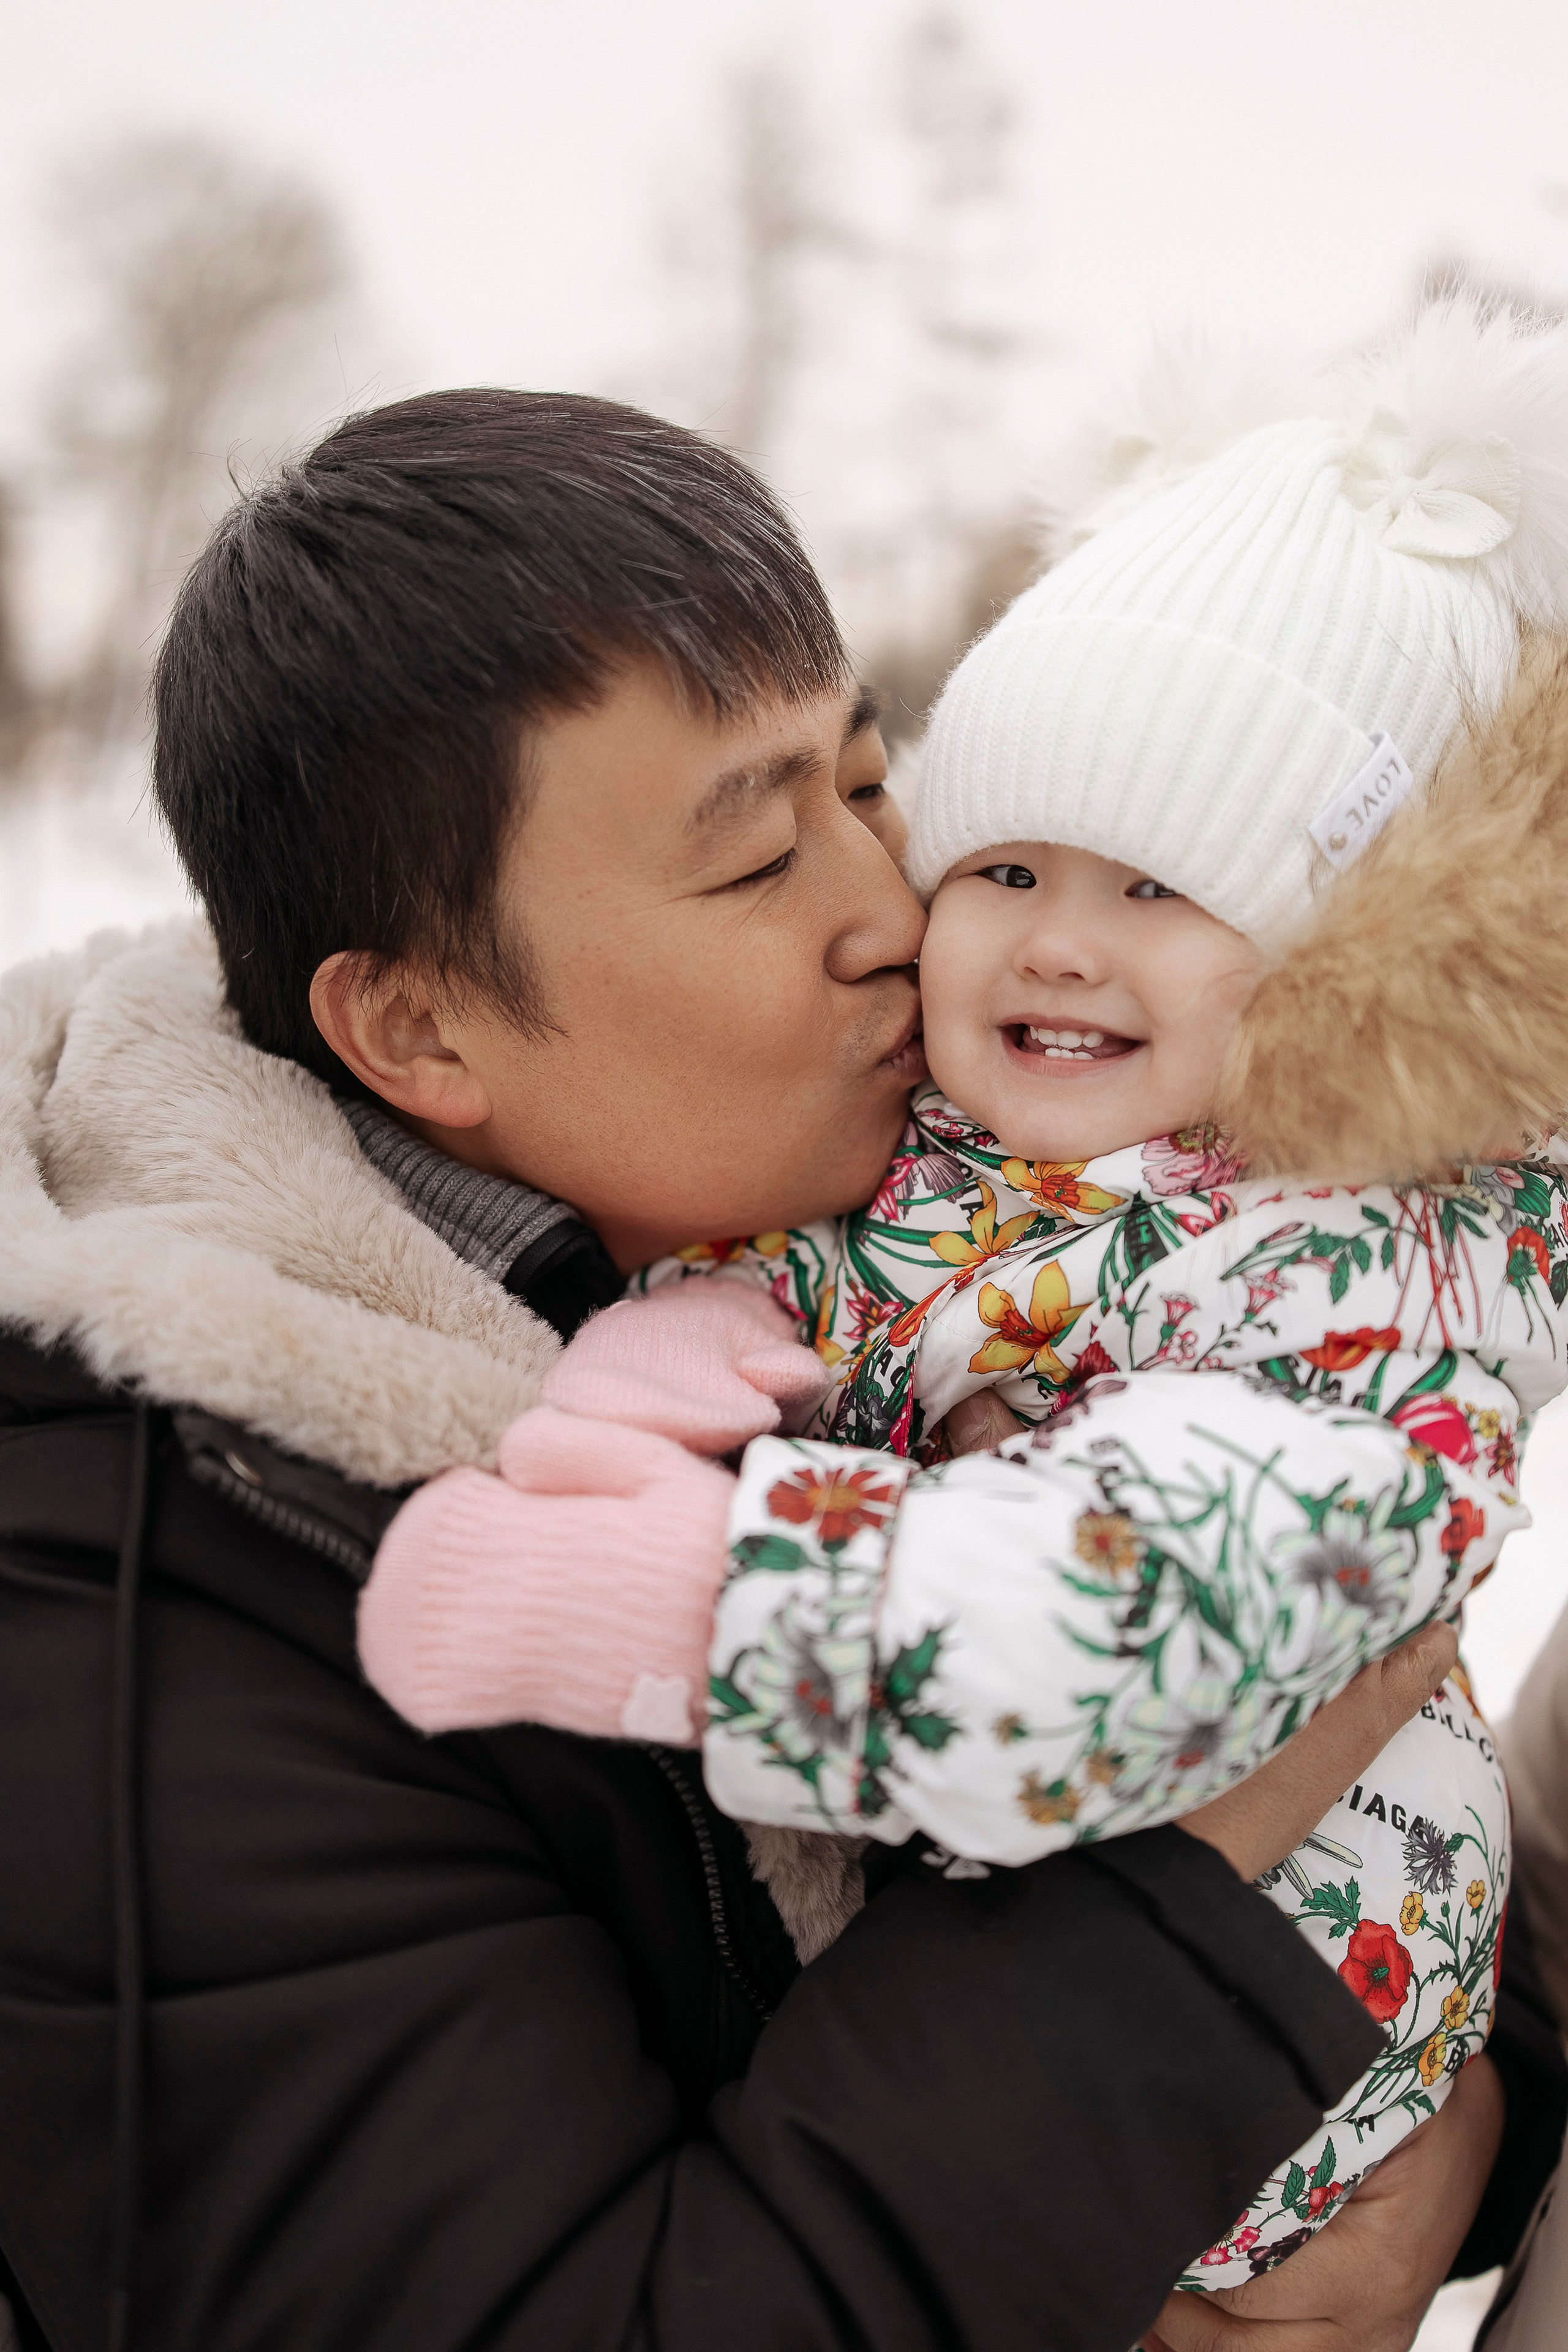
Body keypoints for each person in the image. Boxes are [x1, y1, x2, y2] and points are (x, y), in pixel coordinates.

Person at [0, 388, 1553, 2352]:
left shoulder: (939, 1227)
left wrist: (1453, 2125)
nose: (891, 918)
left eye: (878, 785)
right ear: (417, 1027)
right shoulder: (148, 1625)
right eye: (755, 867)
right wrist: (1176, 1953)